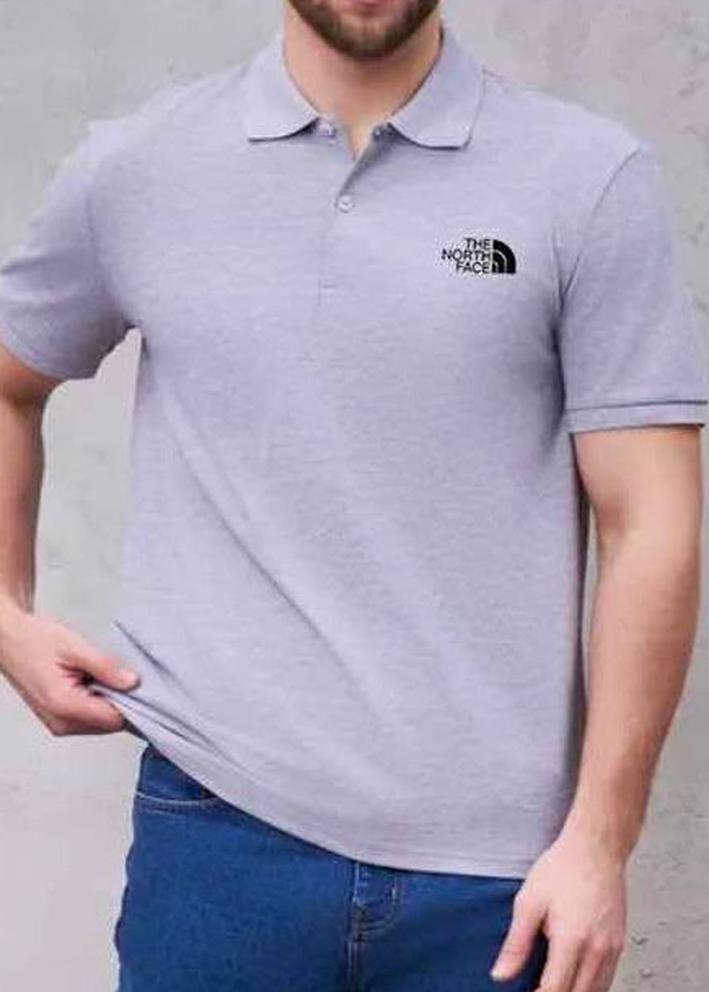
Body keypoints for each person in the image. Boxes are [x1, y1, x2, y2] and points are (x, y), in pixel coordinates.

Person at [0, 1, 706, 989]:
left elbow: (651, 525)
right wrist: (6, 616)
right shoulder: (139, 166)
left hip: (497, 878)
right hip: (216, 838)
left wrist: (600, 840)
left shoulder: (584, 176)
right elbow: (9, 382)